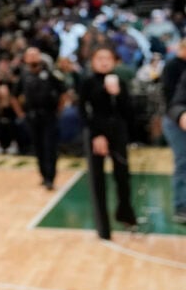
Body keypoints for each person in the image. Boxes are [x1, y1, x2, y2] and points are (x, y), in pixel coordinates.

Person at [79, 47, 138, 240]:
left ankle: (126, 214)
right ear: (93, 61)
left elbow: (128, 112)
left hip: (118, 133)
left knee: (123, 176)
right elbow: (84, 111)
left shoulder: (120, 81)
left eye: (108, 58)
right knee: (98, 181)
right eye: (100, 58)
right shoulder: (88, 82)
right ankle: (103, 228)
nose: (104, 61)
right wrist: (96, 135)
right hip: (96, 135)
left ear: (114, 61)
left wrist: (118, 93)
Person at [14, 47, 65, 190]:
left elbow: (63, 92)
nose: (32, 58)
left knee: (50, 147)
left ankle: (51, 177)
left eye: (35, 55)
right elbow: (14, 95)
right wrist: (20, 113)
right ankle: (43, 176)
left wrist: (59, 110)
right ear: (25, 58)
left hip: (49, 115)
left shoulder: (50, 73)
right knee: (38, 147)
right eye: (29, 55)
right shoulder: (24, 75)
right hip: (32, 116)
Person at [165, 65, 186, 223]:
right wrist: (181, 115)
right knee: (184, 162)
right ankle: (181, 207)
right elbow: (175, 105)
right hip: (177, 124)